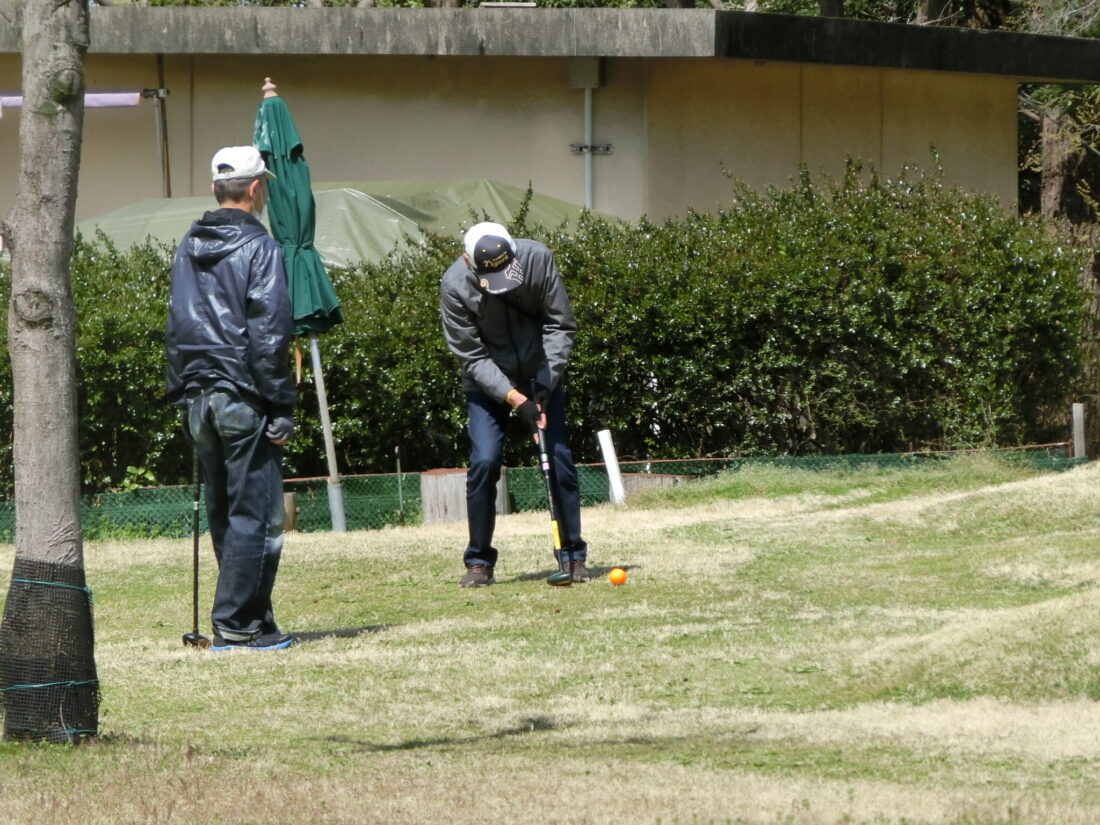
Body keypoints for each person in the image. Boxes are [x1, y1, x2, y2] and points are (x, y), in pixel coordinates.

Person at [165, 145, 296, 651]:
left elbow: (176, 325)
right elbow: (269, 334)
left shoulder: (187, 245)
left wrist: (183, 391)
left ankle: (253, 620)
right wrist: (281, 405)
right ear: (256, 188)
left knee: (226, 514)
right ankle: (238, 626)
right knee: (257, 517)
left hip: (197, 396)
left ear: (215, 189)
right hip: (242, 394)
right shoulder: (260, 247)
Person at [439, 221, 590, 587]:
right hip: (487, 381)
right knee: (485, 461)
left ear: (514, 253)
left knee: (557, 458)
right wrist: (515, 399)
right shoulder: (454, 285)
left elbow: (560, 325)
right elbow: (471, 356)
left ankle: (572, 555)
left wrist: (545, 384)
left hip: (542, 372)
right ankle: (479, 562)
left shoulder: (537, 258)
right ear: (468, 262)